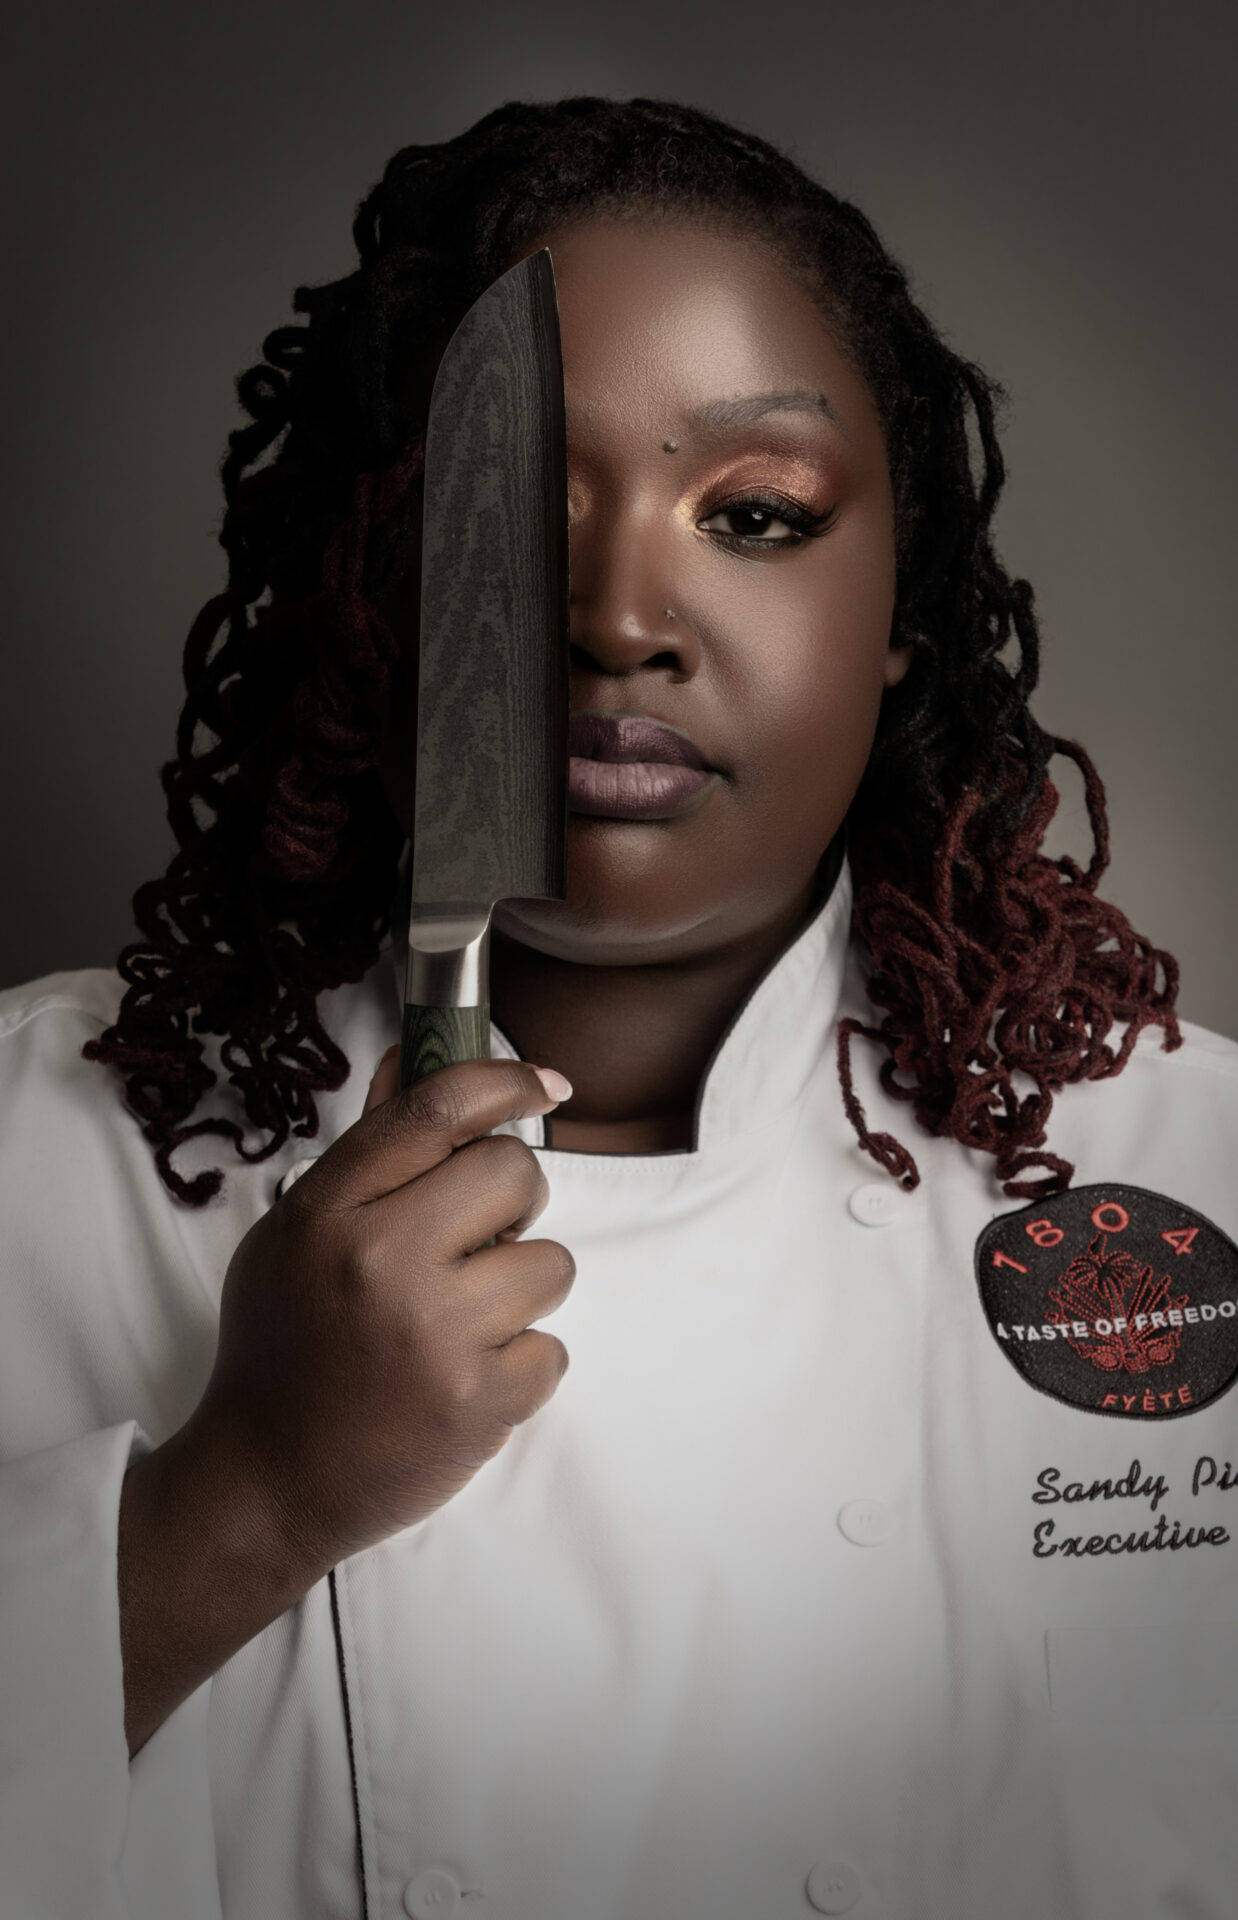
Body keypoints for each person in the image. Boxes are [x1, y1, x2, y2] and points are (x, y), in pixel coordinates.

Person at [1, 95, 1235, 1920]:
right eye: (503, 517)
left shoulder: (1194, 1170)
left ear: (906, 601)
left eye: (752, 513)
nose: (616, 616)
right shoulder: (32, 1158)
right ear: (363, 588)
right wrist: (240, 1502)